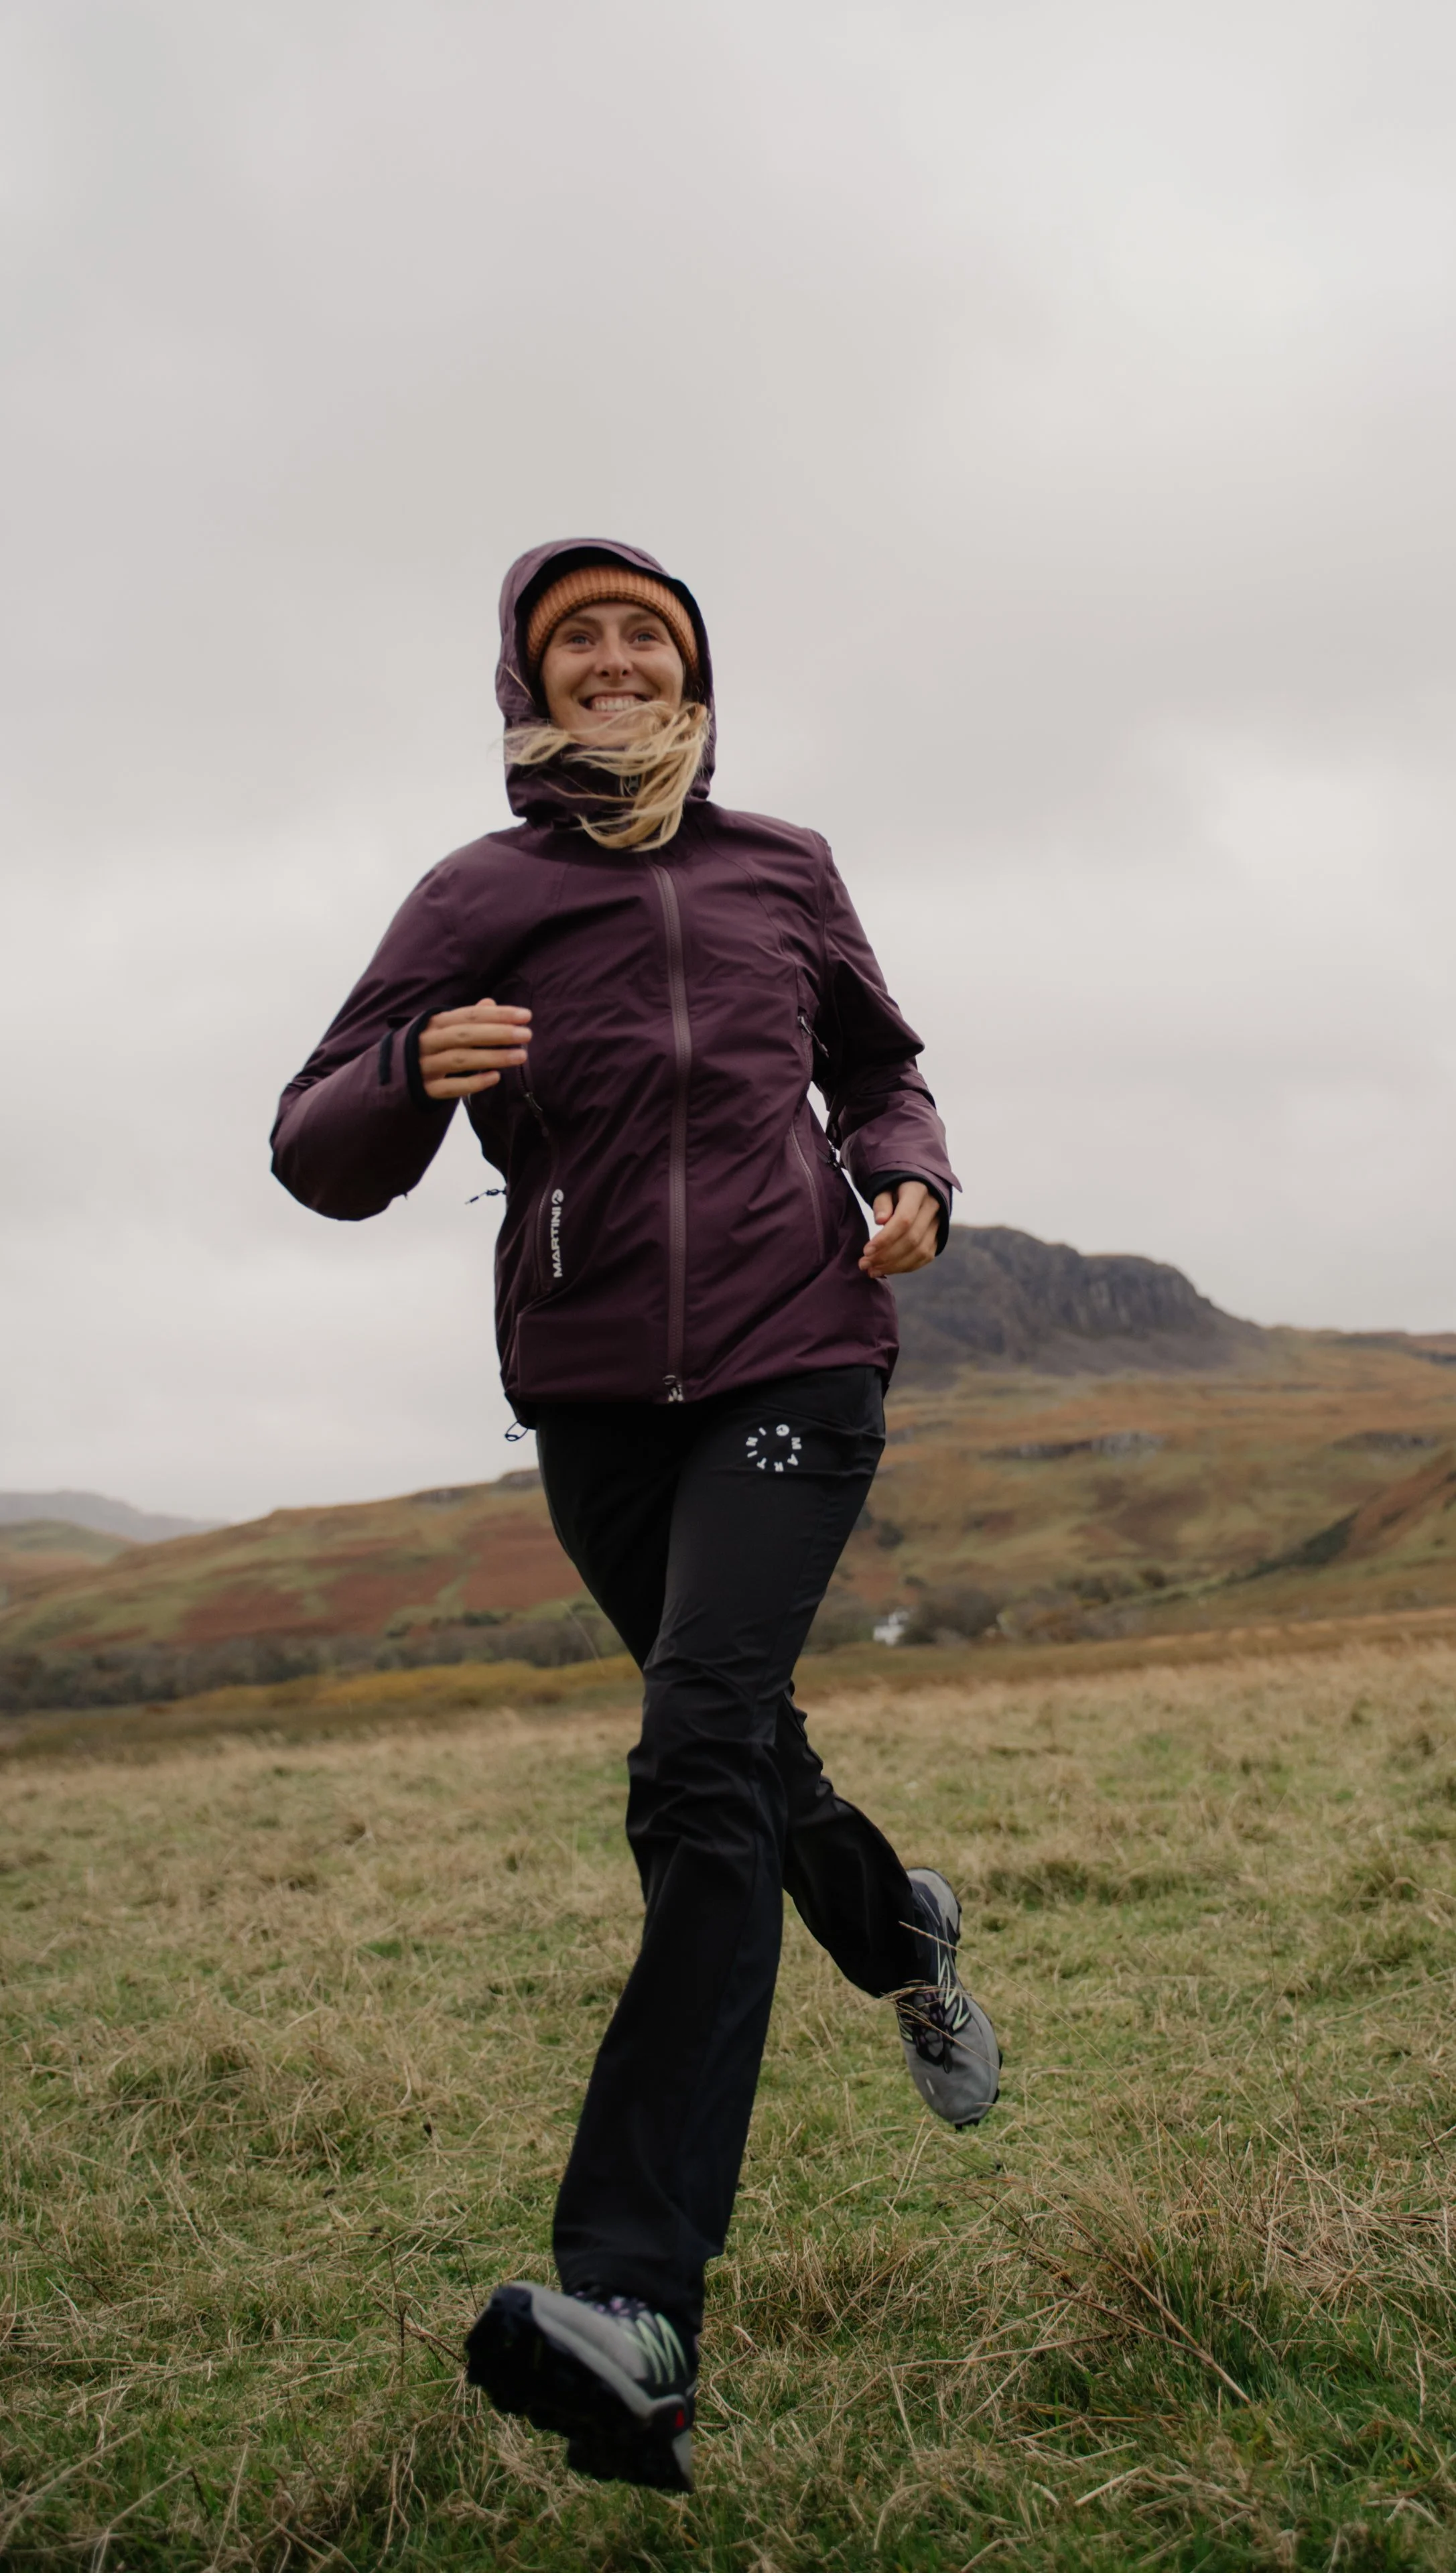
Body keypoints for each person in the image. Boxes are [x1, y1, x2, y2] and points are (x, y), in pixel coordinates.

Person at [271, 538, 999, 2495]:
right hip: (593, 1395)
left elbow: (880, 1063)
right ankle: (903, 1930)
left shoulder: (783, 868)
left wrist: (910, 1174)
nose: (613, 657)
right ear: (527, 681)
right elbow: (315, 1143)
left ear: (693, 676)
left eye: (646, 635)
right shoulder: (476, 894)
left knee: (692, 1762)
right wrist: (407, 1068)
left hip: (798, 1352)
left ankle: (633, 2302)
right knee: (746, 1750)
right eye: (576, 635)